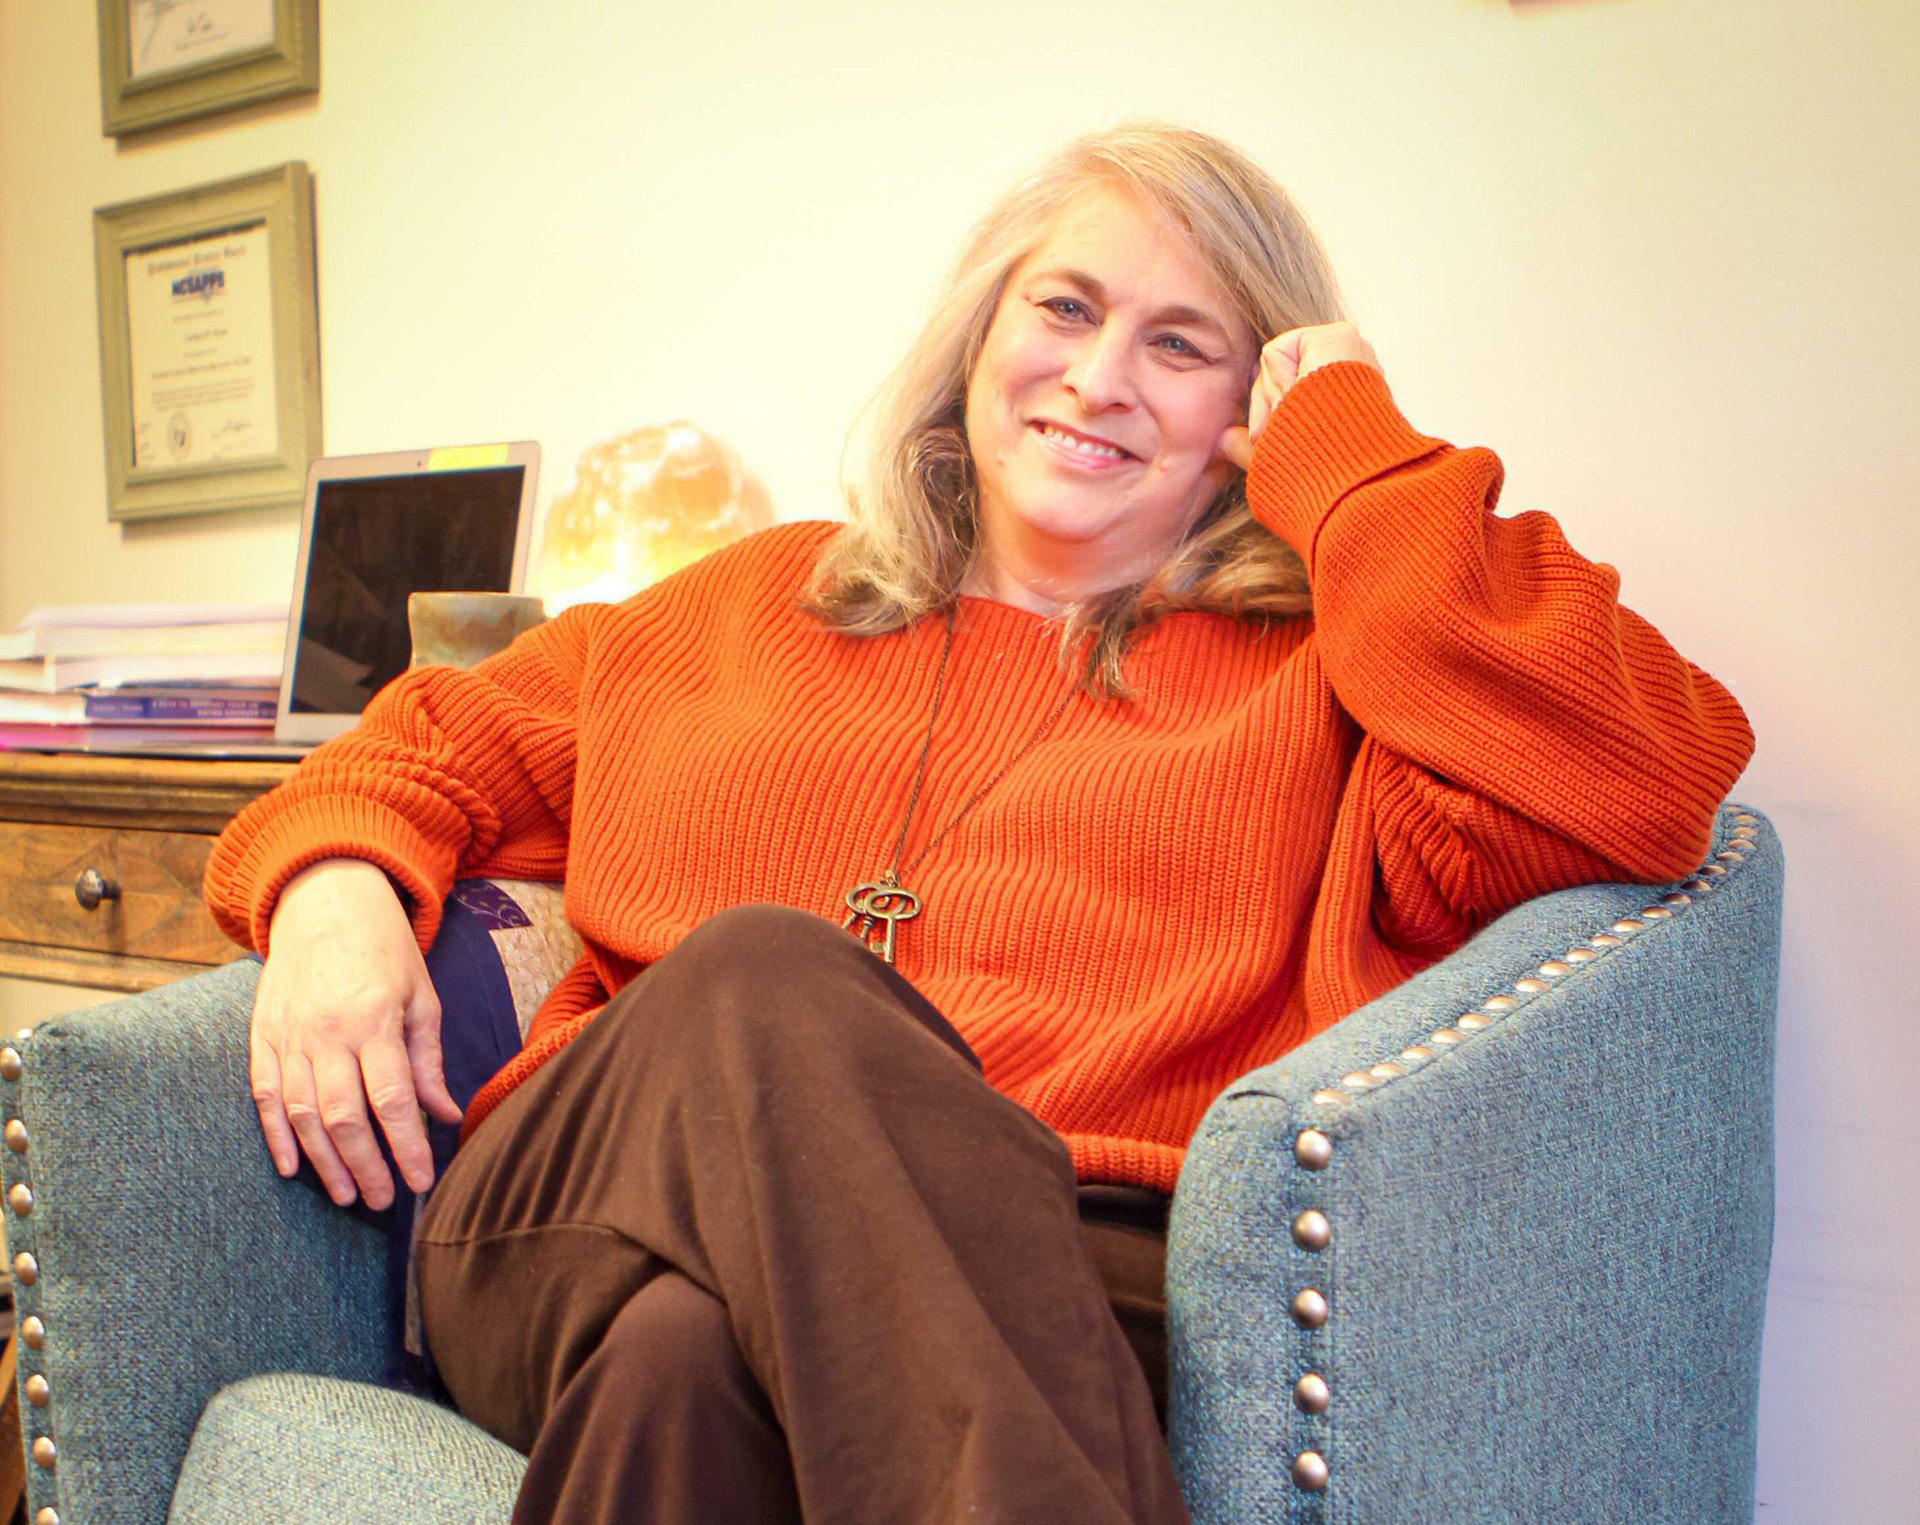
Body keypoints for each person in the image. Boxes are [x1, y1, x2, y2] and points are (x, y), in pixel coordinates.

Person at [206, 121, 1754, 1524]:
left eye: (1181, 343)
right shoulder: (741, 602)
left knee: (683, 1372)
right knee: (764, 976)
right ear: (978, 338)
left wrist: (1354, 458)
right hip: (577, 1208)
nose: (1098, 378)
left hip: (1068, 1263)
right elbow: (424, 744)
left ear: (1250, 409)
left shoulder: (1323, 697)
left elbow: (1654, 769)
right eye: (1065, 309)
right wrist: (336, 888)